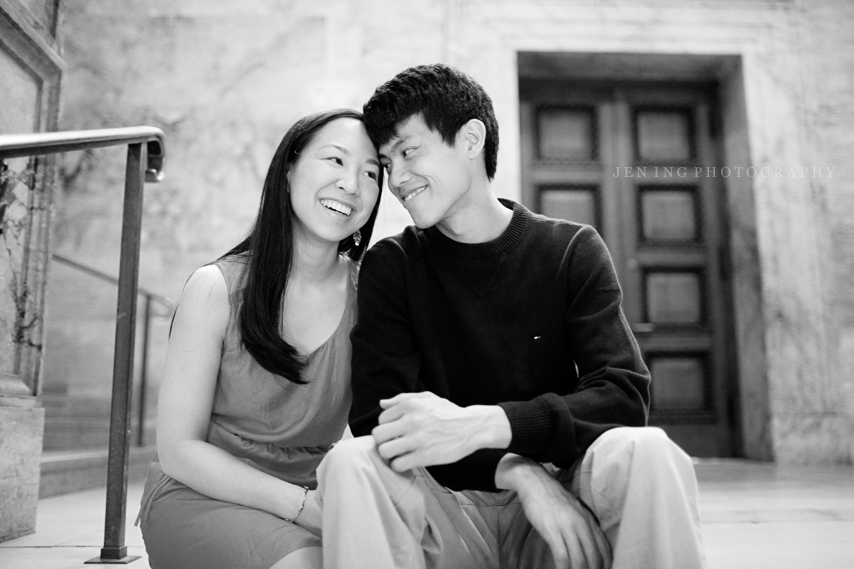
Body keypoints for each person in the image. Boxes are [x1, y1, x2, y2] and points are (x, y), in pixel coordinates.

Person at [316, 64, 706, 569]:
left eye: (409, 152)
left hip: (561, 524)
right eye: (387, 164)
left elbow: (623, 397)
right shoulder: (394, 264)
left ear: (471, 138)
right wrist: (519, 472)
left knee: (649, 452)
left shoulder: (570, 249)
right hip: (446, 513)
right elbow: (378, 421)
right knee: (351, 462)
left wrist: (487, 424)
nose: (398, 180)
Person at [136, 109, 382, 569]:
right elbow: (178, 450)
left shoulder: (372, 296)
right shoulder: (215, 288)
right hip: (202, 497)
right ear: (288, 170)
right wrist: (303, 508)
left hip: (311, 501)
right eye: (335, 161)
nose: (352, 183)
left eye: (371, 173)